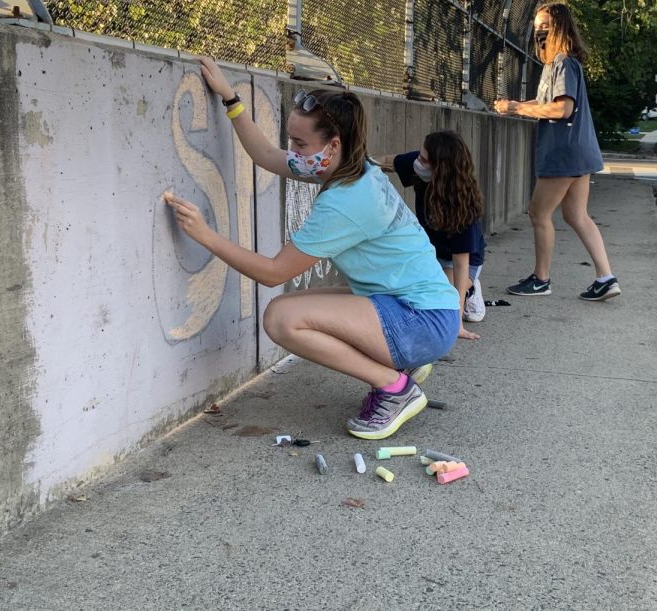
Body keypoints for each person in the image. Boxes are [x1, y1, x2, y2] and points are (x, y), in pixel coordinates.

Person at [164, 57, 460, 440]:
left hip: (423, 321)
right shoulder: (350, 166)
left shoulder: (348, 201)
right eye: (292, 141)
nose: (293, 150)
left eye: (300, 144)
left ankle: (394, 387)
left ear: (333, 144)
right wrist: (231, 99)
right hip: (419, 308)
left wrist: (207, 236)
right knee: (294, 307)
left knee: (282, 319)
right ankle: (402, 366)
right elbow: (267, 156)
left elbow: (273, 272)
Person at [493, 2, 620, 301]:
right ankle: (606, 277)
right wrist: (517, 106)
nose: (539, 31)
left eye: (544, 26)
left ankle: (541, 279)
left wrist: (515, 109)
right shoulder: (561, 64)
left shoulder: (562, 63)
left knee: (538, 212)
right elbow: (545, 104)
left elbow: (563, 109)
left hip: (564, 153)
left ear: (559, 28)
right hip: (579, 152)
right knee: (577, 215)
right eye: (537, 26)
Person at [377, 130, 487, 340]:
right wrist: (361, 166)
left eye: (424, 159)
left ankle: (470, 292)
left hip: (463, 261)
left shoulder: (462, 205)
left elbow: (461, 263)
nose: (418, 161)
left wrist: (457, 324)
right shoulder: (421, 165)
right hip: (429, 251)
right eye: (420, 155)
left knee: (438, 290)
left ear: (441, 168)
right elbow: (385, 162)